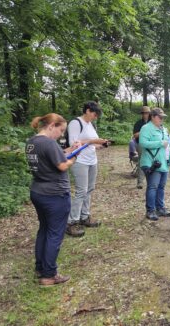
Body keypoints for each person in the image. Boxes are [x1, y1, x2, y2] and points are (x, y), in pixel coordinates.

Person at [26, 113, 79, 285]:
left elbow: (53, 156)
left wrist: (69, 150)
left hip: (38, 192)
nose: (61, 134)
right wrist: (74, 158)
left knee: (44, 229)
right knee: (55, 234)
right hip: (55, 194)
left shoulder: (32, 142)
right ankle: (49, 275)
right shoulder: (49, 143)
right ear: (51, 126)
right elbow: (62, 165)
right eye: (61, 130)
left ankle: (40, 268)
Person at [66, 101, 110, 237]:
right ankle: (71, 222)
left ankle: (84, 216)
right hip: (80, 161)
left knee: (89, 189)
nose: (95, 117)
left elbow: (89, 144)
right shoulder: (75, 123)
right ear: (87, 111)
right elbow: (74, 145)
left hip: (92, 160)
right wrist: (92, 141)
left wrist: (100, 144)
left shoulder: (90, 124)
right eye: (94, 114)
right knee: (81, 191)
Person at [139, 108, 170, 221]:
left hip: (163, 163)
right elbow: (143, 143)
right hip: (150, 163)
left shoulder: (164, 129)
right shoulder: (146, 128)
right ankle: (150, 210)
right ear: (153, 116)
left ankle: (160, 208)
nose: (162, 119)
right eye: (160, 117)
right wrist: (159, 143)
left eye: (163, 117)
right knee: (153, 187)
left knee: (161, 187)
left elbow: (168, 146)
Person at [133, 106, 151, 189]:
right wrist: (144, 130)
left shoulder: (152, 122)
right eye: (144, 113)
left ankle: (151, 181)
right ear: (142, 114)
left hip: (151, 144)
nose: (145, 114)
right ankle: (140, 182)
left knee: (152, 162)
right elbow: (135, 135)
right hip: (140, 144)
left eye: (147, 113)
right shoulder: (138, 123)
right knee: (141, 162)